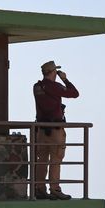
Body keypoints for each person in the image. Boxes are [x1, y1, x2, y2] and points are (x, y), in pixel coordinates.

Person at [33, 60, 79, 200]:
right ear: (53, 72)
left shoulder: (37, 87)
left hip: (41, 129)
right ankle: (55, 189)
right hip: (55, 129)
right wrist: (65, 79)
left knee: (42, 159)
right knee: (56, 159)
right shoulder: (55, 86)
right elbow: (74, 93)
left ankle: (39, 189)